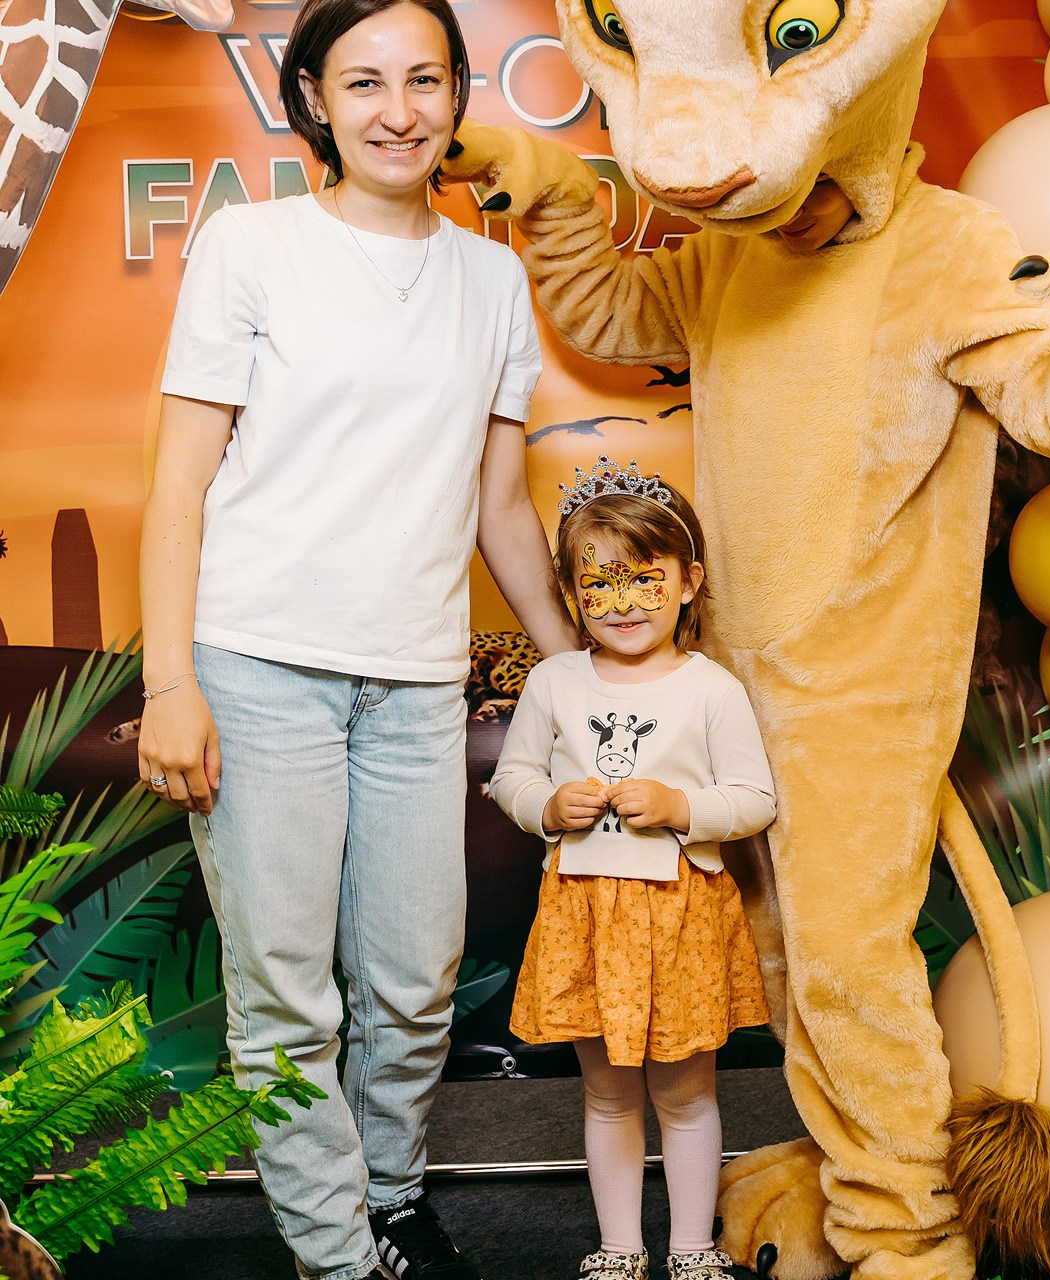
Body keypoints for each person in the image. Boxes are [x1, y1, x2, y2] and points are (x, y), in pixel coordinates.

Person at [135, 0, 577, 1276]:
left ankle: (389, 1198)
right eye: (367, 81)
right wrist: (173, 681)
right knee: (285, 994)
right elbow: (178, 485)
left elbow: (499, 504)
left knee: (412, 980)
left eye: (426, 80)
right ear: (315, 98)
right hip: (256, 663)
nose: (400, 109)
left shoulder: (492, 277)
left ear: (454, 97)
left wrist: (566, 663)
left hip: (416, 679)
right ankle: (335, 1255)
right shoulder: (251, 245)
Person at [489, 457, 776, 1280]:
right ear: (573, 593)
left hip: (681, 912)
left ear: (688, 583)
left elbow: (754, 797)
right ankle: (620, 1248)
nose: (621, 605)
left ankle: (691, 1250)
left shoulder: (712, 688)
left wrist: (684, 810)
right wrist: (546, 807)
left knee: (685, 1096)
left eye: (643, 581)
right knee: (608, 1094)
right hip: (583, 910)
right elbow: (511, 778)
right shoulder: (552, 682)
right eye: (598, 584)